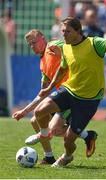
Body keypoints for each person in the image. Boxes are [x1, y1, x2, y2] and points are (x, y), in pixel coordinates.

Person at [24, 16, 106, 167]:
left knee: (68, 140)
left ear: (78, 31)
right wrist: (50, 86)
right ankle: (44, 136)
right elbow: (63, 67)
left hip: (89, 99)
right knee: (39, 112)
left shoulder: (94, 43)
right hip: (69, 90)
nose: (64, 35)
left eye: (68, 31)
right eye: (63, 31)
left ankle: (68, 156)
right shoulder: (65, 47)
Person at [12, 29, 98, 164]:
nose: (32, 46)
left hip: (71, 95)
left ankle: (80, 140)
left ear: (42, 38)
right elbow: (43, 93)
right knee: (35, 120)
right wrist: (24, 111)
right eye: (30, 44)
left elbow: (70, 48)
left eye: (34, 42)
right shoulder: (42, 64)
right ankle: (50, 156)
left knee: (53, 129)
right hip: (58, 99)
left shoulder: (52, 46)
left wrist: (61, 50)